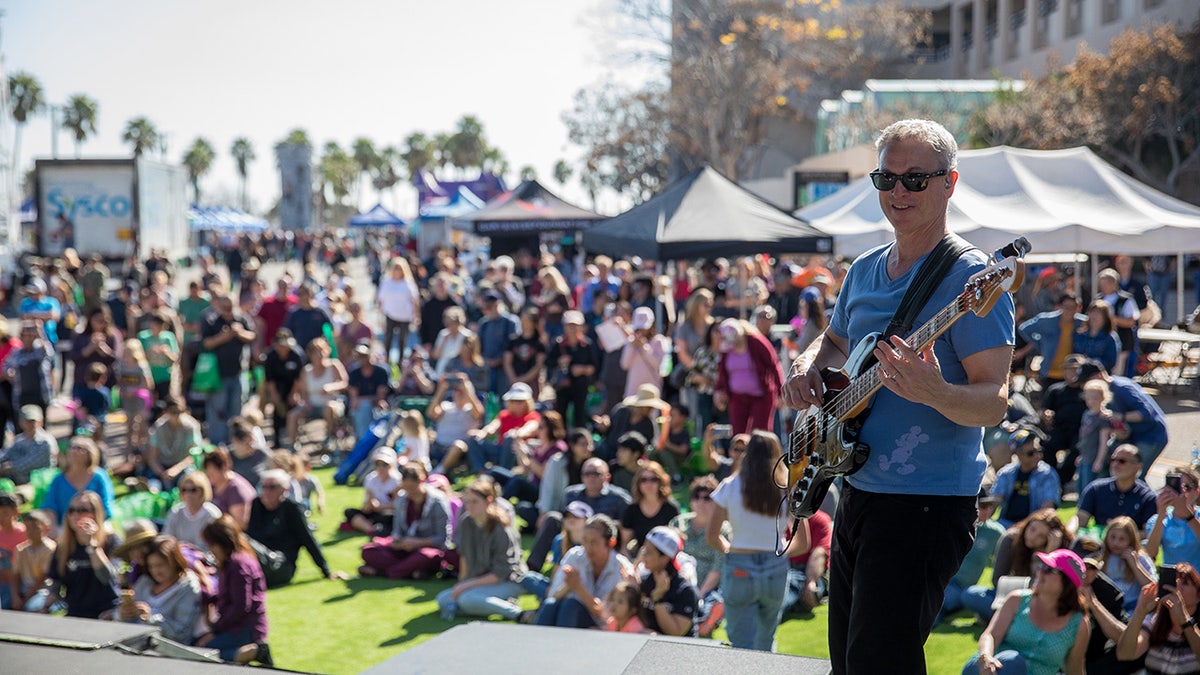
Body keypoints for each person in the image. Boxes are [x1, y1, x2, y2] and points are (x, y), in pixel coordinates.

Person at [782, 119, 1016, 674]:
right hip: (856, 489)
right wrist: (805, 365)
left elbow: (995, 401)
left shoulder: (972, 279)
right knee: (847, 662)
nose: (898, 192)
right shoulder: (863, 268)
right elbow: (834, 340)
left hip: (926, 503)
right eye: (886, 178)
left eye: (915, 179)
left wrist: (934, 391)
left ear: (949, 183)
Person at [707, 431, 788, 651]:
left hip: (740, 565)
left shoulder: (729, 486)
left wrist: (729, 551)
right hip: (776, 567)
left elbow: (712, 536)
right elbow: (803, 541)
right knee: (765, 641)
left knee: (742, 647)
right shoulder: (788, 487)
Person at [963, 548, 1090, 675]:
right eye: (1041, 566)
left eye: (1048, 569)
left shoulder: (1078, 624)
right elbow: (991, 635)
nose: (1040, 571)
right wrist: (985, 657)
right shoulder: (1017, 599)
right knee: (1013, 661)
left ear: (1067, 583)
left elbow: (1075, 668)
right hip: (991, 670)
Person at [436, 478, 527, 621]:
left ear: (489, 501)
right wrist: (461, 584)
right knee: (443, 599)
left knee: (466, 599)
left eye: (474, 502)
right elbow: (464, 557)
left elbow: (501, 572)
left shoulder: (501, 528)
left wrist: (465, 586)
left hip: (508, 581)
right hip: (479, 580)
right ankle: (489, 604)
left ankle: (518, 614)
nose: (469, 506)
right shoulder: (466, 521)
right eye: (467, 501)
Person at [961, 508, 1072, 622]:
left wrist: (1050, 554)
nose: (1033, 537)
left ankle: (1003, 621)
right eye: (1032, 529)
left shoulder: (1055, 552)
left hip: (1037, 602)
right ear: (1027, 524)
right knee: (971, 594)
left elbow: (1043, 590)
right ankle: (1013, 621)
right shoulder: (1010, 539)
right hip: (1007, 595)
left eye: (1041, 536)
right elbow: (997, 580)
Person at [526, 457, 632, 574]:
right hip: (573, 535)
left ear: (607, 477)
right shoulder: (571, 493)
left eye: (596, 473)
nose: (591, 477)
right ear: (582, 477)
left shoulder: (620, 499)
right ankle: (532, 567)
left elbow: (624, 528)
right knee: (552, 518)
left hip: (600, 541)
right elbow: (565, 518)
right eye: (587, 473)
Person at [533, 513, 634, 628]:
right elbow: (552, 595)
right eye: (585, 541)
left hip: (600, 627)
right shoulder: (575, 556)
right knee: (550, 605)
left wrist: (578, 587)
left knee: (570, 605)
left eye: (594, 542)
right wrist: (568, 585)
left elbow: (607, 616)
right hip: (569, 616)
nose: (587, 547)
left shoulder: (621, 568)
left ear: (611, 543)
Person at [197, 516, 271, 666]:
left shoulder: (239, 565)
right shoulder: (231, 562)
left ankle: (254, 652)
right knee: (199, 647)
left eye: (212, 544)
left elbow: (241, 606)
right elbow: (229, 595)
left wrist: (216, 630)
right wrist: (207, 596)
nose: (210, 549)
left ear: (223, 542)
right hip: (235, 626)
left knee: (201, 653)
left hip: (246, 628)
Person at [246, 469, 340, 587]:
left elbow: (308, 540)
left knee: (244, 541)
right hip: (257, 560)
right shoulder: (256, 505)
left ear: (284, 490)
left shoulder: (292, 508)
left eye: (272, 487)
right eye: (264, 487)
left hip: (280, 565)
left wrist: (326, 571)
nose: (266, 491)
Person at [359, 464, 453, 580]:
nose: (410, 492)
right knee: (368, 550)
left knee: (426, 556)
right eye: (406, 488)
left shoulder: (437, 502)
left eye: (413, 488)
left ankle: (383, 572)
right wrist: (398, 541)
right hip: (405, 549)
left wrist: (418, 543)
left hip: (427, 549)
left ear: (422, 481)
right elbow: (397, 531)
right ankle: (412, 572)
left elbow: (442, 538)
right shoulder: (402, 499)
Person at [1078, 359, 1169, 478]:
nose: (1085, 386)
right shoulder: (1100, 394)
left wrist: (1119, 417)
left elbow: (1145, 413)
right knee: (1113, 472)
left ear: (1100, 375)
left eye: (1087, 381)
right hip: (1131, 437)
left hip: (1150, 437)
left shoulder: (1122, 388)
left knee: (1132, 477)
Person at [116, 535, 203, 644]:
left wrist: (150, 618)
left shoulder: (189, 588)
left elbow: (181, 632)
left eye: (160, 565)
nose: (155, 571)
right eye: (151, 566)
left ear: (174, 561)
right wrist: (122, 614)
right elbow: (125, 621)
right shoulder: (144, 582)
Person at [48, 490, 120, 618]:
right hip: (76, 613)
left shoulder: (111, 541)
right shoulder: (63, 547)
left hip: (106, 613)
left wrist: (92, 545)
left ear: (96, 513)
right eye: (71, 510)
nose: (76, 515)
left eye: (82, 510)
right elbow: (56, 582)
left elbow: (107, 578)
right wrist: (49, 602)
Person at [938, 491, 1006, 624]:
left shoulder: (995, 532)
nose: (987, 510)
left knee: (941, 602)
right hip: (943, 580)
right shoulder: (956, 525)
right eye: (982, 506)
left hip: (960, 586)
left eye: (989, 505)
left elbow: (1004, 562)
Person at [1117, 565, 1200, 674]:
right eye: (1174, 583)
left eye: (1185, 583)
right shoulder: (1154, 621)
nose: (1178, 588)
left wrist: (1184, 619)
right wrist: (1140, 611)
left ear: (1198, 596)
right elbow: (1125, 654)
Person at [199, 294, 255, 446]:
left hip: (238, 373)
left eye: (230, 307)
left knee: (236, 410)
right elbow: (206, 344)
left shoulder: (242, 319)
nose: (228, 311)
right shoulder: (212, 321)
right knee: (218, 411)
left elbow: (252, 336)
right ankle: (217, 443)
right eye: (225, 307)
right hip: (217, 375)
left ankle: (234, 442)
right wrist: (223, 337)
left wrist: (239, 332)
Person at [1070, 444, 1158, 536]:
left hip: (1131, 548)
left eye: (1122, 461)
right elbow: (1080, 519)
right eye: (1113, 460)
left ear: (1138, 466)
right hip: (1098, 545)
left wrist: (1119, 535)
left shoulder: (1148, 497)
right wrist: (1068, 532)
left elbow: (1148, 533)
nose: (1115, 464)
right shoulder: (1096, 488)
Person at [714, 318, 783, 434]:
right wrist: (719, 390)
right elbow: (722, 372)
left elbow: (774, 365)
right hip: (737, 397)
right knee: (738, 434)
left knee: (761, 434)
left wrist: (781, 392)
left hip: (760, 396)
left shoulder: (756, 342)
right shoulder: (727, 349)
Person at [285, 338, 348, 453]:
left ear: (327, 351)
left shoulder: (334, 365)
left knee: (329, 408)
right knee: (292, 415)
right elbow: (303, 393)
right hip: (312, 406)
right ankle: (292, 446)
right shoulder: (306, 370)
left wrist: (332, 387)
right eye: (315, 352)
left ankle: (328, 440)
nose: (319, 355)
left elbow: (345, 383)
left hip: (332, 404)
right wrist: (305, 402)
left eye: (321, 351)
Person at [990, 427, 1061, 527]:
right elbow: (994, 502)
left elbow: (1047, 510)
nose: (1037, 456)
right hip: (1005, 524)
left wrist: (1023, 528)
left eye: (1039, 451)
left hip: (1032, 526)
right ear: (1018, 454)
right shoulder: (1006, 473)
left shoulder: (1048, 474)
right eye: (1031, 453)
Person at [638, 526, 698, 636]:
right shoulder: (644, 582)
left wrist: (658, 599)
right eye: (644, 549)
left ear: (665, 558)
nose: (643, 555)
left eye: (649, 552)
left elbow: (676, 633)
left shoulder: (685, 591)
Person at [41, 436, 115, 524]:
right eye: (72, 448)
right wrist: (53, 527)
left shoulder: (99, 477)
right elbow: (49, 506)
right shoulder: (59, 479)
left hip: (96, 525)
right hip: (64, 528)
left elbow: (106, 507)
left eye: (79, 448)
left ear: (90, 454)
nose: (74, 451)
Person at [1018, 293, 1087, 388]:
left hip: (1072, 374)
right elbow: (1024, 328)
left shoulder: (1082, 323)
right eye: (1066, 307)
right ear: (1060, 307)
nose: (1069, 311)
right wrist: (1039, 344)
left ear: (1078, 308)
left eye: (1073, 307)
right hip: (1049, 372)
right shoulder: (1046, 320)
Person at [547, 310, 599, 429]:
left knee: (579, 414)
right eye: (569, 325)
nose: (572, 328)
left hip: (580, 385)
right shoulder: (558, 344)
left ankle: (579, 440)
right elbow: (548, 362)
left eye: (575, 325)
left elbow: (594, 366)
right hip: (562, 386)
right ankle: (562, 442)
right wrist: (560, 361)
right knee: (561, 414)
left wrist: (582, 369)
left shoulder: (587, 345)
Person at [619, 461, 680, 557]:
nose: (648, 484)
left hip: (665, 559)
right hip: (639, 559)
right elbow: (624, 544)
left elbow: (676, 540)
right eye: (644, 480)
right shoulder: (632, 510)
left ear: (661, 482)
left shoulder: (671, 508)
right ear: (638, 483)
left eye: (653, 479)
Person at [1146, 467, 1200, 569]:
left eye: (1186, 488)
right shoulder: (1157, 520)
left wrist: (1189, 516)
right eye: (1176, 488)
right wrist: (1161, 515)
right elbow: (1151, 553)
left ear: (1196, 492)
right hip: (1172, 580)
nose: (1182, 493)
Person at [260, 328, 305, 449]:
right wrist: (274, 395)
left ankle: (294, 438)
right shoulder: (271, 356)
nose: (284, 348)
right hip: (277, 385)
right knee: (277, 409)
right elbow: (269, 379)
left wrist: (294, 393)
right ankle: (276, 438)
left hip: (294, 385)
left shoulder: (296, 355)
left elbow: (299, 377)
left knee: (293, 408)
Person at [144, 396, 202, 490]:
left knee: (188, 481)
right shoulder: (159, 427)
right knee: (154, 484)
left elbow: (191, 456)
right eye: (173, 412)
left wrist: (175, 470)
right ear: (166, 412)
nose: (177, 416)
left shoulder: (191, 426)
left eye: (180, 412)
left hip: (182, 468)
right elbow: (152, 458)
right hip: (162, 467)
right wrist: (162, 473)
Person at [342, 447, 401, 536]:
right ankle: (371, 529)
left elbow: (398, 504)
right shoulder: (370, 478)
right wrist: (369, 505)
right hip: (374, 513)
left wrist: (381, 507)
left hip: (388, 512)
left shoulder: (397, 480)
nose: (380, 467)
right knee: (349, 511)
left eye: (384, 464)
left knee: (391, 517)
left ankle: (364, 525)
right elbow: (367, 502)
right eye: (377, 464)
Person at [163, 471, 222, 551]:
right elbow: (167, 539)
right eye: (184, 490)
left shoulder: (212, 515)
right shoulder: (175, 512)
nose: (188, 494)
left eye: (193, 490)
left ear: (202, 491)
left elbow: (212, 545)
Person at [0, 404, 57, 486]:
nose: (31, 424)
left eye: (33, 421)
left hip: (38, 485)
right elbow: (6, 454)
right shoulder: (19, 439)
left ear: (41, 422)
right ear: (20, 422)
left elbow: (25, 465)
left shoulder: (45, 442)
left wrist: (6, 467)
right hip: (15, 482)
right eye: (27, 421)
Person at [10, 509, 55, 612]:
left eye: (35, 527)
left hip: (43, 591)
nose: (31, 531)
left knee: (32, 607)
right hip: (23, 588)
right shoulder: (20, 549)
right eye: (28, 528)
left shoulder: (50, 549)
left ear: (44, 527)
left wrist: (26, 599)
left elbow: (42, 577)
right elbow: (15, 575)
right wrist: (15, 597)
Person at [203, 447, 256, 529]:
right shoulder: (212, 484)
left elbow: (240, 524)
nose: (209, 477)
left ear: (224, 467)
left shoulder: (237, 490)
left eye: (212, 473)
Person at [347, 342, 391, 440]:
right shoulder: (354, 373)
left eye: (364, 355)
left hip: (376, 407)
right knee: (361, 408)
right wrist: (366, 400)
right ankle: (363, 440)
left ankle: (366, 441)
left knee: (367, 407)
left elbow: (380, 398)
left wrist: (365, 400)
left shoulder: (381, 372)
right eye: (359, 356)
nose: (362, 359)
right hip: (360, 408)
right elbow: (354, 399)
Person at [1073, 300, 1120, 373]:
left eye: (1099, 313)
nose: (1095, 316)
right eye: (1092, 312)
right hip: (1079, 374)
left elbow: (1110, 362)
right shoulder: (1080, 335)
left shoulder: (1110, 338)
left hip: (1099, 375)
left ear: (1105, 317)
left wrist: (1090, 362)